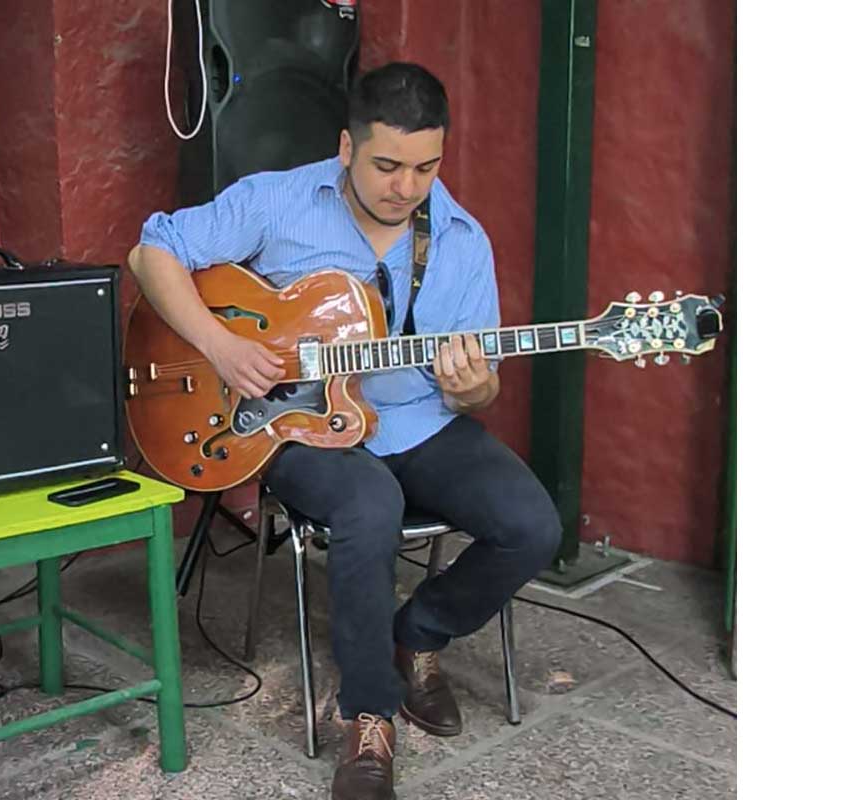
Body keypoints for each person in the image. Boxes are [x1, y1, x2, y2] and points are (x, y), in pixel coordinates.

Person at [129, 62, 561, 800]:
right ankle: (369, 716)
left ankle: (417, 634)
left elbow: (480, 388)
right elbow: (152, 252)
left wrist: (474, 387)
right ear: (346, 147)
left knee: (532, 526)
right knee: (369, 504)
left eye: (426, 167)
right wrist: (220, 345)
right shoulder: (279, 200)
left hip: (418, 420)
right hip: (294, 424)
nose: (406, 187)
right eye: (387, 166)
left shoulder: (461, 239)